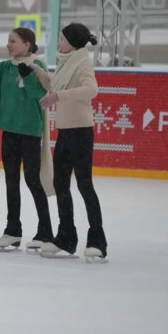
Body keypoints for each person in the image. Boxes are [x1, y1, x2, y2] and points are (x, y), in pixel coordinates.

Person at [0, 27, 55, 252]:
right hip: (9, 130)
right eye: (9, 41)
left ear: (27, 44)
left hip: (29, 132)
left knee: (32, 180)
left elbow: (39, 93)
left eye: (13, 41)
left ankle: (45, 230)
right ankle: (13, 230)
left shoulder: (37, 66)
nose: (9, 45)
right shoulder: (5, 68)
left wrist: (28, 75)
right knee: (11, 181)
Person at [37, 23, 108, 263]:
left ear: (73, 42)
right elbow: (53, 84)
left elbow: (91, 89)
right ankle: (66, 237)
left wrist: (60, 96)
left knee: (84, 184)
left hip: (81, 131)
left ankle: (97, 240)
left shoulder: (83, 63)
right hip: (65, 131)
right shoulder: (66, 63)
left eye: (62, 39)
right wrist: (34, 69)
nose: (59, 42)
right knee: (60, 183)